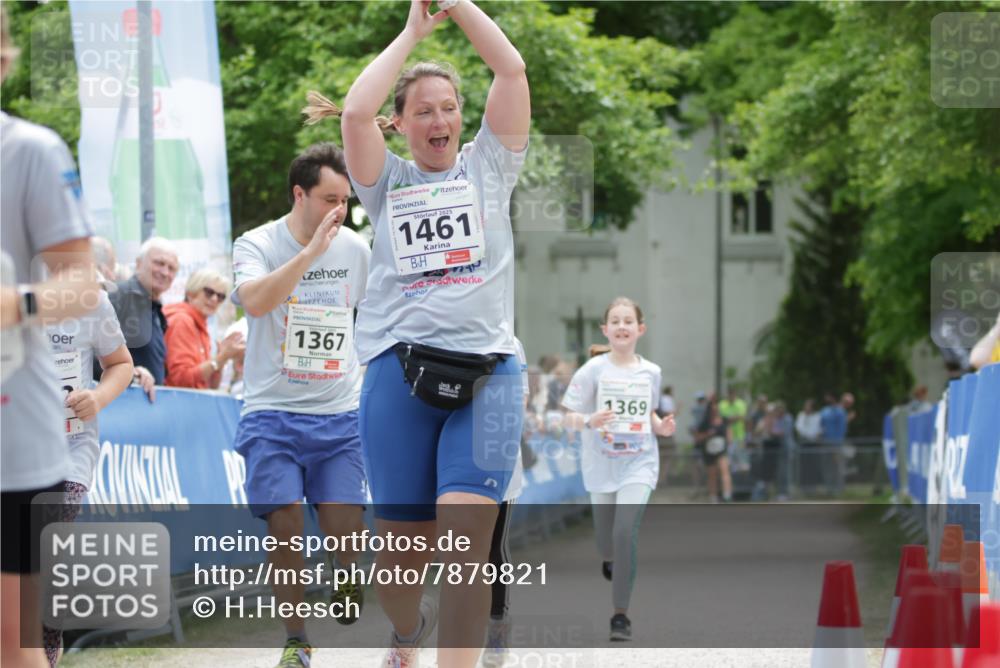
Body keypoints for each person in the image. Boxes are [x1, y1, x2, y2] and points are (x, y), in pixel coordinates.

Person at [305, 1, 530, 665]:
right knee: (401, 563)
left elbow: (511, 71)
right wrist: (412, 33)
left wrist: (461, 9)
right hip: (398, 377)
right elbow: (351, 115)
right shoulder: (386, 183)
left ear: (465, 116)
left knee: (465, 542)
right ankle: (408, 632)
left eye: (449, 106)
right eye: (423, 110)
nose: (440, 119)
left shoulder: (490, 166)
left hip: (491, 374)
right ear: (399, 124)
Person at [231, 142, 371, 668]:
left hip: (338, 412)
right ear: (300, 194)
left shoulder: (357, 250)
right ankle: (297, 639)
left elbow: (374, 316)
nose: (341, 210)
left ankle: (349, 574)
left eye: (346, 200)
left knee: (345, 531)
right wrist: (309, 254)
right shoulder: (258, 243)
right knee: (284, 521)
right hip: (270, 410)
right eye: (330, 198)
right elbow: (257, 301)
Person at [1, 8, 102, 665]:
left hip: (14, 436)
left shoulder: (29, 152)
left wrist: (18, 303)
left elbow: (83, 285)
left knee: (12, 641)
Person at [561, 297, 676, 642]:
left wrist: (659, 427)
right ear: (605, 330)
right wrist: (589, 420)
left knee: (626, 532)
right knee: (605, 539)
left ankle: (620, 615)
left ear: (640, 329)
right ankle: (610, 557)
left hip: (639, 462)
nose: (622, 326)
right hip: (601, 463)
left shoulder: (651, 372)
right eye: (616, 321)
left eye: (629, 321)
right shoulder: (592, 371)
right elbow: (567, 416)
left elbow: (649, 413)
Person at [42, 291, 133, 666]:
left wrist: (98, 397)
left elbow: (120, 364)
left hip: (70, 448)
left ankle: (45, 642)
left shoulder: (91, 300)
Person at [108, 236, 179, 385]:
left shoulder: (157, 311)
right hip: (118, 403)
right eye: (159, 263)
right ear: (139, 264)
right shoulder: (118, 297)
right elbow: (88, 353)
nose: (165, 272)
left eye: (171, 268)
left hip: (146, 405)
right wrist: (131, 373)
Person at [163, 268, 245, 390]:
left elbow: (210, 386)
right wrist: (222, 357)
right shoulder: (182, 321)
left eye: (220, 296)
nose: (214, 299)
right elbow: (181, 379)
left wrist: (222, 358)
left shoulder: (200, 325)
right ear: (191, 293)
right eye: (209, 292)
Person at [694, 394, 733, 503]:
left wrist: (729, 439)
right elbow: (697, 437)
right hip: (709, 451)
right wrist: (707, 435)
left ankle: (727, 495)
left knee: (724, 470)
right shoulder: (705, 423)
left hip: (721, 450)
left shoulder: (724, 421)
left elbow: (729, 433)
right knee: (712, 474)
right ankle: (713, 496)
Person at [819, 392, 848, 496]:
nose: (827, 400)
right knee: (827, 466)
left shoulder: (840, 412)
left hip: (836, 443)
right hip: (825, 443)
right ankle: (829, 488)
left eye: (829, 398)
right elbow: (820, 425)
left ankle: (839, 488)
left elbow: (842, 428)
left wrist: (839, 442)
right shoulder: (824, 411)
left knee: (838, 466)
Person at [719, 387, 748, 473]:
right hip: (727, 437)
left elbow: (741, 416)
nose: (731, 396)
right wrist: (735, 417)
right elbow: (722, 418)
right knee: (729, 461)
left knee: (741, 460)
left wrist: (729, 418)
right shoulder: (722, 404)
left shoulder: (741, 404)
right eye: (729, 394)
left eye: (733, 394)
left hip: (739, 436)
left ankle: (740, 481)